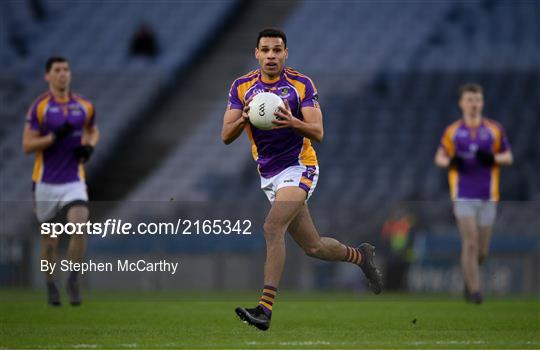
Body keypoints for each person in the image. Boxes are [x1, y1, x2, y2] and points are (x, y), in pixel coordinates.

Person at [221, 28, 382, 331]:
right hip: (269, 174)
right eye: (265, 50)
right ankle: (362, 257)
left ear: (285, 53)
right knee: (315, 247)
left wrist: (292, 121)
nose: (271, 55)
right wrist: (246, 117)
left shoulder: (300, 84)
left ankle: (264, 310)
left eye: (277, 50)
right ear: (257, 53)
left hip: (300, 166)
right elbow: (225, 135)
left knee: (272, 227)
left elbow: (318, 132)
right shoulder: (241, 87)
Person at [22, 56, 100, 306]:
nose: (62, 74)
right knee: (49, 243)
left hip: (73, 180)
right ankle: (50, 284)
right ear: (48, 76)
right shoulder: (40, 107)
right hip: (45, 182)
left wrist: (89, 147)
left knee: (80, 225)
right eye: (57, 70)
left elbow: (92, 129)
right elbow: (27, 144)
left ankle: (74, 279)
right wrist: (53, 138)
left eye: (66, 69)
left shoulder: (83, 106)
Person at [435, 83, 512, 304]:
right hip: (463, 195)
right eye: (469, 100)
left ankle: (469, 278)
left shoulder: (494, 130)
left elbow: (507, 156)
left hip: (488, 196)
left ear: (482, 102)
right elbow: (440, 157)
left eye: (477, 99)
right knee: (470, 242)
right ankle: (475, 292)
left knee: (482, 251)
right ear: (461, 103)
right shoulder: (453, 131)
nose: (473, 104)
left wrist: (493, 159)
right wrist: (451, 161)